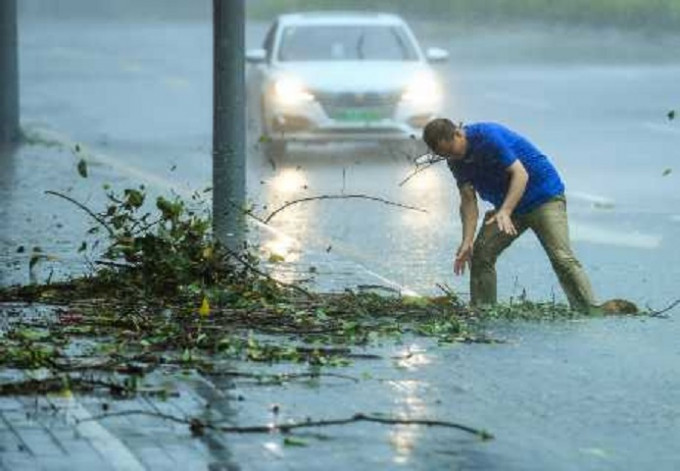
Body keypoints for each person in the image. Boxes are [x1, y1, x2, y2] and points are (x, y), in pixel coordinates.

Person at [422, 118, 596, 312]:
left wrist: (505, 211)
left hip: (543, 198)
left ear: (458, 133)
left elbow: (520, 174)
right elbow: (468, 200)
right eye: (445, 154)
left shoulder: (487, 136)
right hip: (509, 206)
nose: (453, 157)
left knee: (561, 258)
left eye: (452, 150)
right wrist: (467, 240)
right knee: (481, 253)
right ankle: (483, 310)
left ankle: (589, 309)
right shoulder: (455, 161)